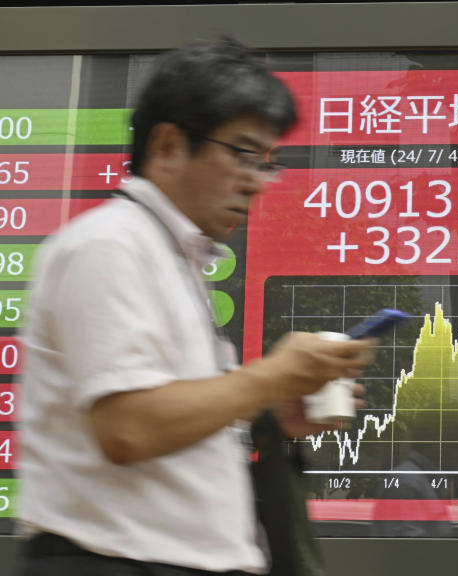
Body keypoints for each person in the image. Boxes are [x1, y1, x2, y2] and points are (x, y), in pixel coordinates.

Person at [15, 39, 374, 575]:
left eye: (268, 164)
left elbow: (169, 420)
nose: (256, 182)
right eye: (243, 154)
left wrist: (268, 414)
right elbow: (128, 428)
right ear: (167, 146)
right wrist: (273, 376)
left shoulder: (171, 257)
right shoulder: (108, 245)